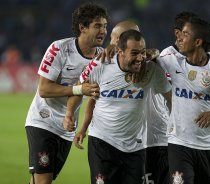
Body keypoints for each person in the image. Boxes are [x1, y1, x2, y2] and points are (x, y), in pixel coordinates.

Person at [64, 29, 172, 184]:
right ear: (120, 51)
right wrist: (69, 115)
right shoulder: (99, 65)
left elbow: (171, 99)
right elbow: (78, 89)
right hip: (103, 143)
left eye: (142, 52)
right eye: (134, 53)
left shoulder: (151, 70)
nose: (140, 58)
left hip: (135, 147)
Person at [24, 2, 108, 184]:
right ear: (82, 28)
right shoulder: (59, 49)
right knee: (43, 180)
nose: (103, 31)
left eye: (105, 26)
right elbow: (44, 89)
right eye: (98, 26)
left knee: (41, 180)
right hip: (42, 120)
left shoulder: (103, 57)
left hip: (67, 128)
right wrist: (78, 89)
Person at [157, 16, 210, 184]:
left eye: (185, 34)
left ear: (197, 42)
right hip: (178, 142)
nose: (179, 37)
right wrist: (150, 54)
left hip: (208, 146)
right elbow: (143, 59)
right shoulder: (171, 60)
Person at [143, 11, 198, 184]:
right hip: (169, 137)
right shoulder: (165, 59)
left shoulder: (204, 60)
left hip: (200, 138)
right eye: (191, 31)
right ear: (178, 34)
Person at [71, 20, 141, 149]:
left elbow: (156, 54)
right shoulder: (101, 62)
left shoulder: (147, 64)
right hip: (102, 140)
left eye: (112, 39)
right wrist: (81, 127)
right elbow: (93, 98)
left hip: (138, 142)